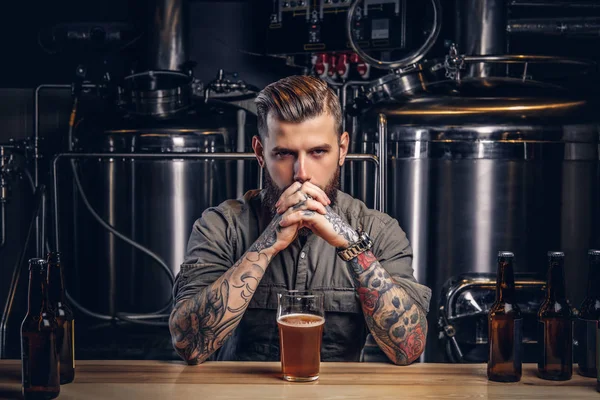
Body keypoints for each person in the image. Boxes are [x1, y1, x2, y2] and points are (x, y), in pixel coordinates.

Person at [168, 75, 431, 365]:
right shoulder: (221, 226)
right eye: (283, 153)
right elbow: (189, 345)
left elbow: (408, 348)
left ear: (342, 149)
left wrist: (352, 247)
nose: (301, 173)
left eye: (318, 151)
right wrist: (266, 245)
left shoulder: (378, 230)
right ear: (260, 153)